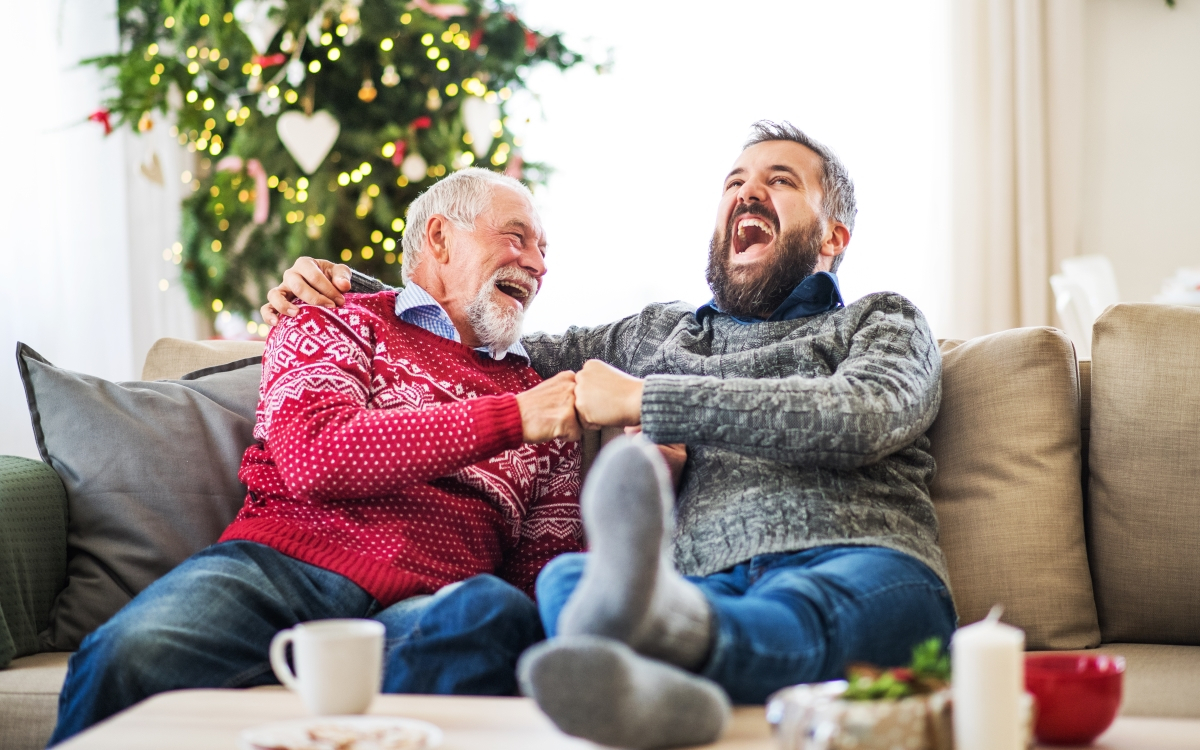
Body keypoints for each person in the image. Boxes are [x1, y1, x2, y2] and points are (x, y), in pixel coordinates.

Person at [262, 121, 957, 750]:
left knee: (805, 610)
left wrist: (649, 400)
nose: (748, 195)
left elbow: (864, 413)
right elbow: (477, 338)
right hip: (694, 585)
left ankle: (665, 661)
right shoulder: (657, 333)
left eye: (779, 182)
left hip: (855, 559)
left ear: (834, 236)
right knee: (568, 577)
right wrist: (348, 289)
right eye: (734, 185)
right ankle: (672, 683)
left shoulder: (879, 320)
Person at [49, 168, 588, 746]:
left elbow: (540, 575)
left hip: (427, 609)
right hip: (281, 569)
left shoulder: (541, 397)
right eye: (516, 237)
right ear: (439, 238)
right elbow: (315, 455)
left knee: (492, 613)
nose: (538, 263)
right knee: (132, 651)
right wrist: (512, 419)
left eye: (543, 249)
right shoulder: (333, 317)